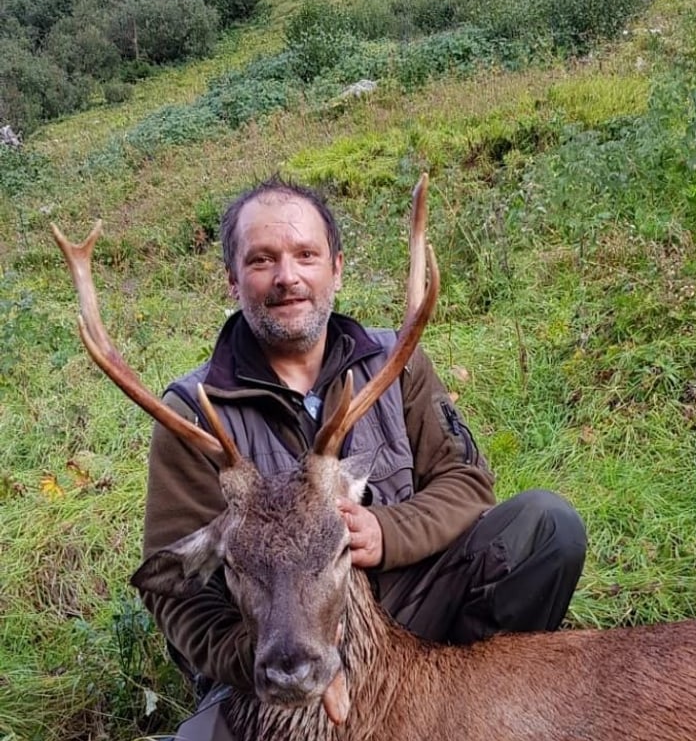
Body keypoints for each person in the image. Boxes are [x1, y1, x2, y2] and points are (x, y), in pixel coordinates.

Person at [137, 176, 587, 710]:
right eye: (262, 260)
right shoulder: (192, 414)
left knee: (546, 526)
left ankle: (463, 708)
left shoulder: (394, 364)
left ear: (337, 269)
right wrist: (264, 660)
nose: (288, 277)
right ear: (232, 281)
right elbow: (173, 591)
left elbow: (466, 483)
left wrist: (385, 532)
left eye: (306, 255)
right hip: (277, 647)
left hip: (406, 608)